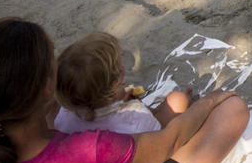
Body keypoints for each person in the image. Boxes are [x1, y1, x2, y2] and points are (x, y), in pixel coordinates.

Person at [0, 18, 249, 163]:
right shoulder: (87, 150)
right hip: (141, 149)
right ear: (45, 89)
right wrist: (211, 101)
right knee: (233, 110)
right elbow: (167, 140)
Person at [54, 31, 190, 135]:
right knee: (178, 99)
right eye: (119, 65)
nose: (124, 68)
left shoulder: (65, 116)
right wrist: (139, 106)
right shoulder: (134, 117)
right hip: (145, 143)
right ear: (112, 85)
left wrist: (120, 101)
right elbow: (157, 136)